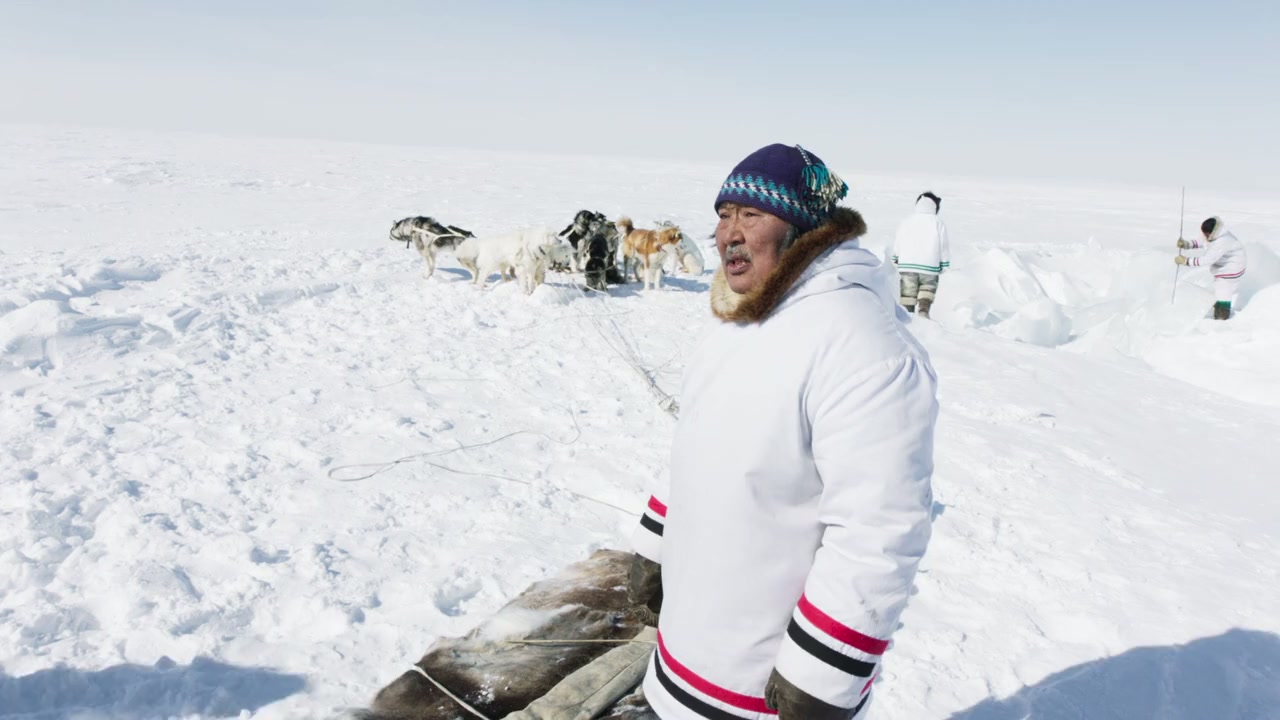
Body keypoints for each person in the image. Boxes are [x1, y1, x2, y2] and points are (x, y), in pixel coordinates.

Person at [627, 144, 939, 720]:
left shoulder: (864, 348)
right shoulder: (737, 321)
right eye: (724, 214)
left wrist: (821, 675)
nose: (729, 233)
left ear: (803, 229)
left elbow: (878, 529)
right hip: (684, 649)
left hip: (759, 685)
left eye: (752, 215)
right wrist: (655, 545)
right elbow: (698, 448)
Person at [888, 192, 951, 318]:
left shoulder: (906, 221)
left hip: (907, 265)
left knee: (907, 293)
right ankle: (923, 311)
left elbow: (899, 241)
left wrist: (895, 258)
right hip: (929, 265)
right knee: (927, 289)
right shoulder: (937, 222)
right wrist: (944, 264)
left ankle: (907, 316)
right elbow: (943, 245)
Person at [1175, 216, 1247, 320]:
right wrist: (1187, 244)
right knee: (1220, 288)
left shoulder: (1223, 241)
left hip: (1232, 267)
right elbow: (1204, 241)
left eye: (1206, 234)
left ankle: (1222, 314)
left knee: (1223, 290)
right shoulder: (1217, 233)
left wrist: (1186, 261)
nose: (1204, 235)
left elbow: (1207, 259)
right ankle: (1218, 304)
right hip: (1225, 264)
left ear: (1211, 232)